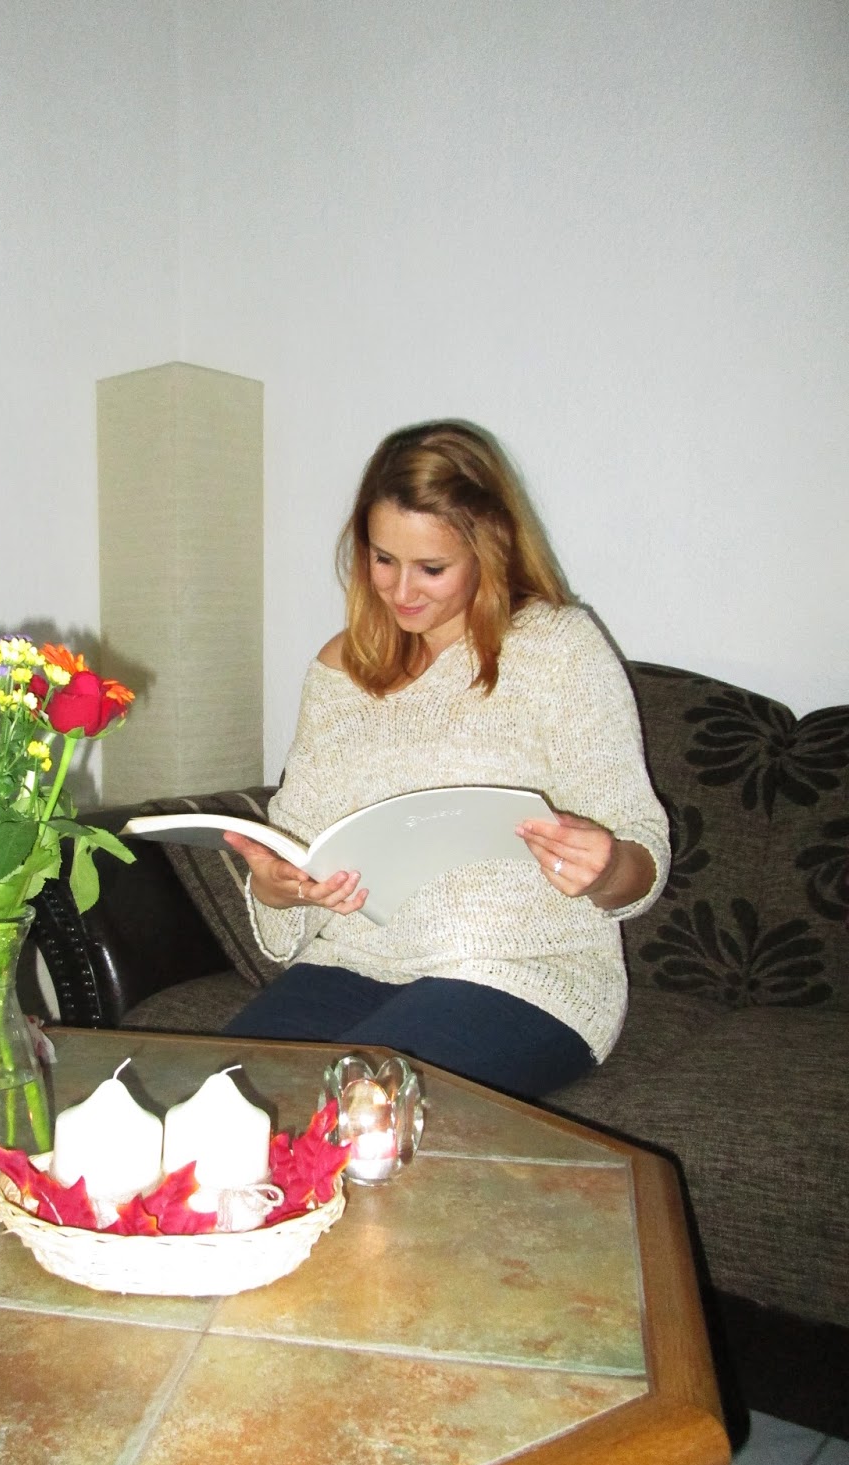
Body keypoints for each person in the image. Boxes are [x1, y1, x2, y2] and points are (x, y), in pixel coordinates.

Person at [222, 420, 669, 1096]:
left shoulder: (559, 647)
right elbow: (298, 839)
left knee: (352, 1111)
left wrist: (606, 867)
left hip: (525, 973)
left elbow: (641, 847)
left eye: (432, 569)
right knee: (218, 1097)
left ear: (490, 549)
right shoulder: (340, 669)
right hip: (351, 960)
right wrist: (278, 886)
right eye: (383, 559)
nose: (401, 591)